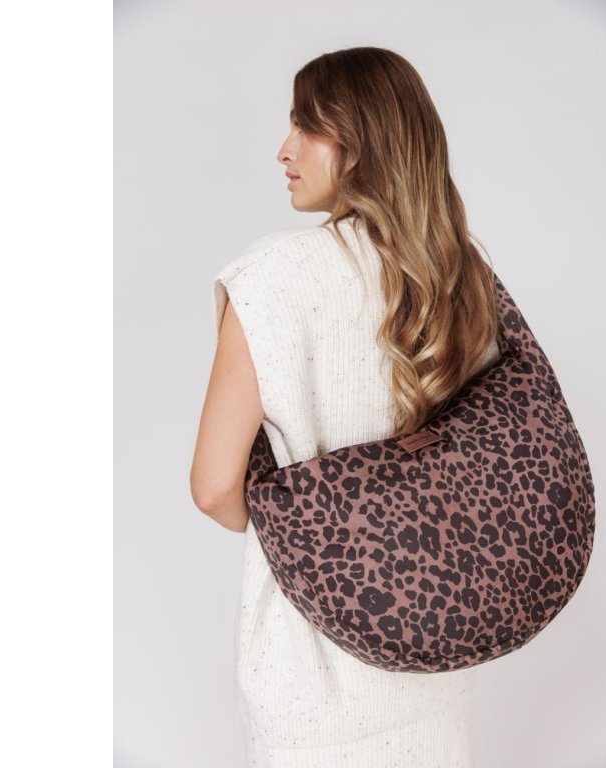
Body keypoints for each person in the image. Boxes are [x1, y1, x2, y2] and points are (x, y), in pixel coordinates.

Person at [190, 46, 502, 768]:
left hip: (309, 670)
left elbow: (212, 487)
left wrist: (310, 540)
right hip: (433, 654)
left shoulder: (271, 277)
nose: (284, 150)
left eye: (307, 127)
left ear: (363, 143)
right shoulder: (456, 275)